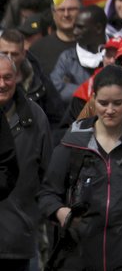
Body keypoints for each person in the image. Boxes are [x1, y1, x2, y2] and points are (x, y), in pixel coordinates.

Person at [39, 65, 122, 271]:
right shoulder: (73, 143)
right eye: (103, 103)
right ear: (93, 99)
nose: (110, 110)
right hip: (80, 254)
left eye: (118, 103)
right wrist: (62, 213)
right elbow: (47, 194)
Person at [0, 52, 52, 271]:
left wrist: (33, 217)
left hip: (18, 237)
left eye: (7, 77)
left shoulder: (35, 117)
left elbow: (48, 174)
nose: (2, 84)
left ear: (17, 77)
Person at [2, 27, 65, 128]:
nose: (9, 58)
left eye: (14, 54)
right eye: (4, 53)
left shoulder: (40, 83)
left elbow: (58, 122)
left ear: (23, 54)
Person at [51, 5, 108, 102]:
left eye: (80, 27)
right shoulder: (67, 58)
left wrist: (72, 86)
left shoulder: (119, 53)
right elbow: (56, 88)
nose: (75, 32)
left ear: (98, 28)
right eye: (74, 27)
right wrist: (88, 92)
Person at [30, 0, 80, 76]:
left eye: (71, 9)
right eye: (61, 10)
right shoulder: (37, 49)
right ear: (53, 14)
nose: (66, 14)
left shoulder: (91, 45)